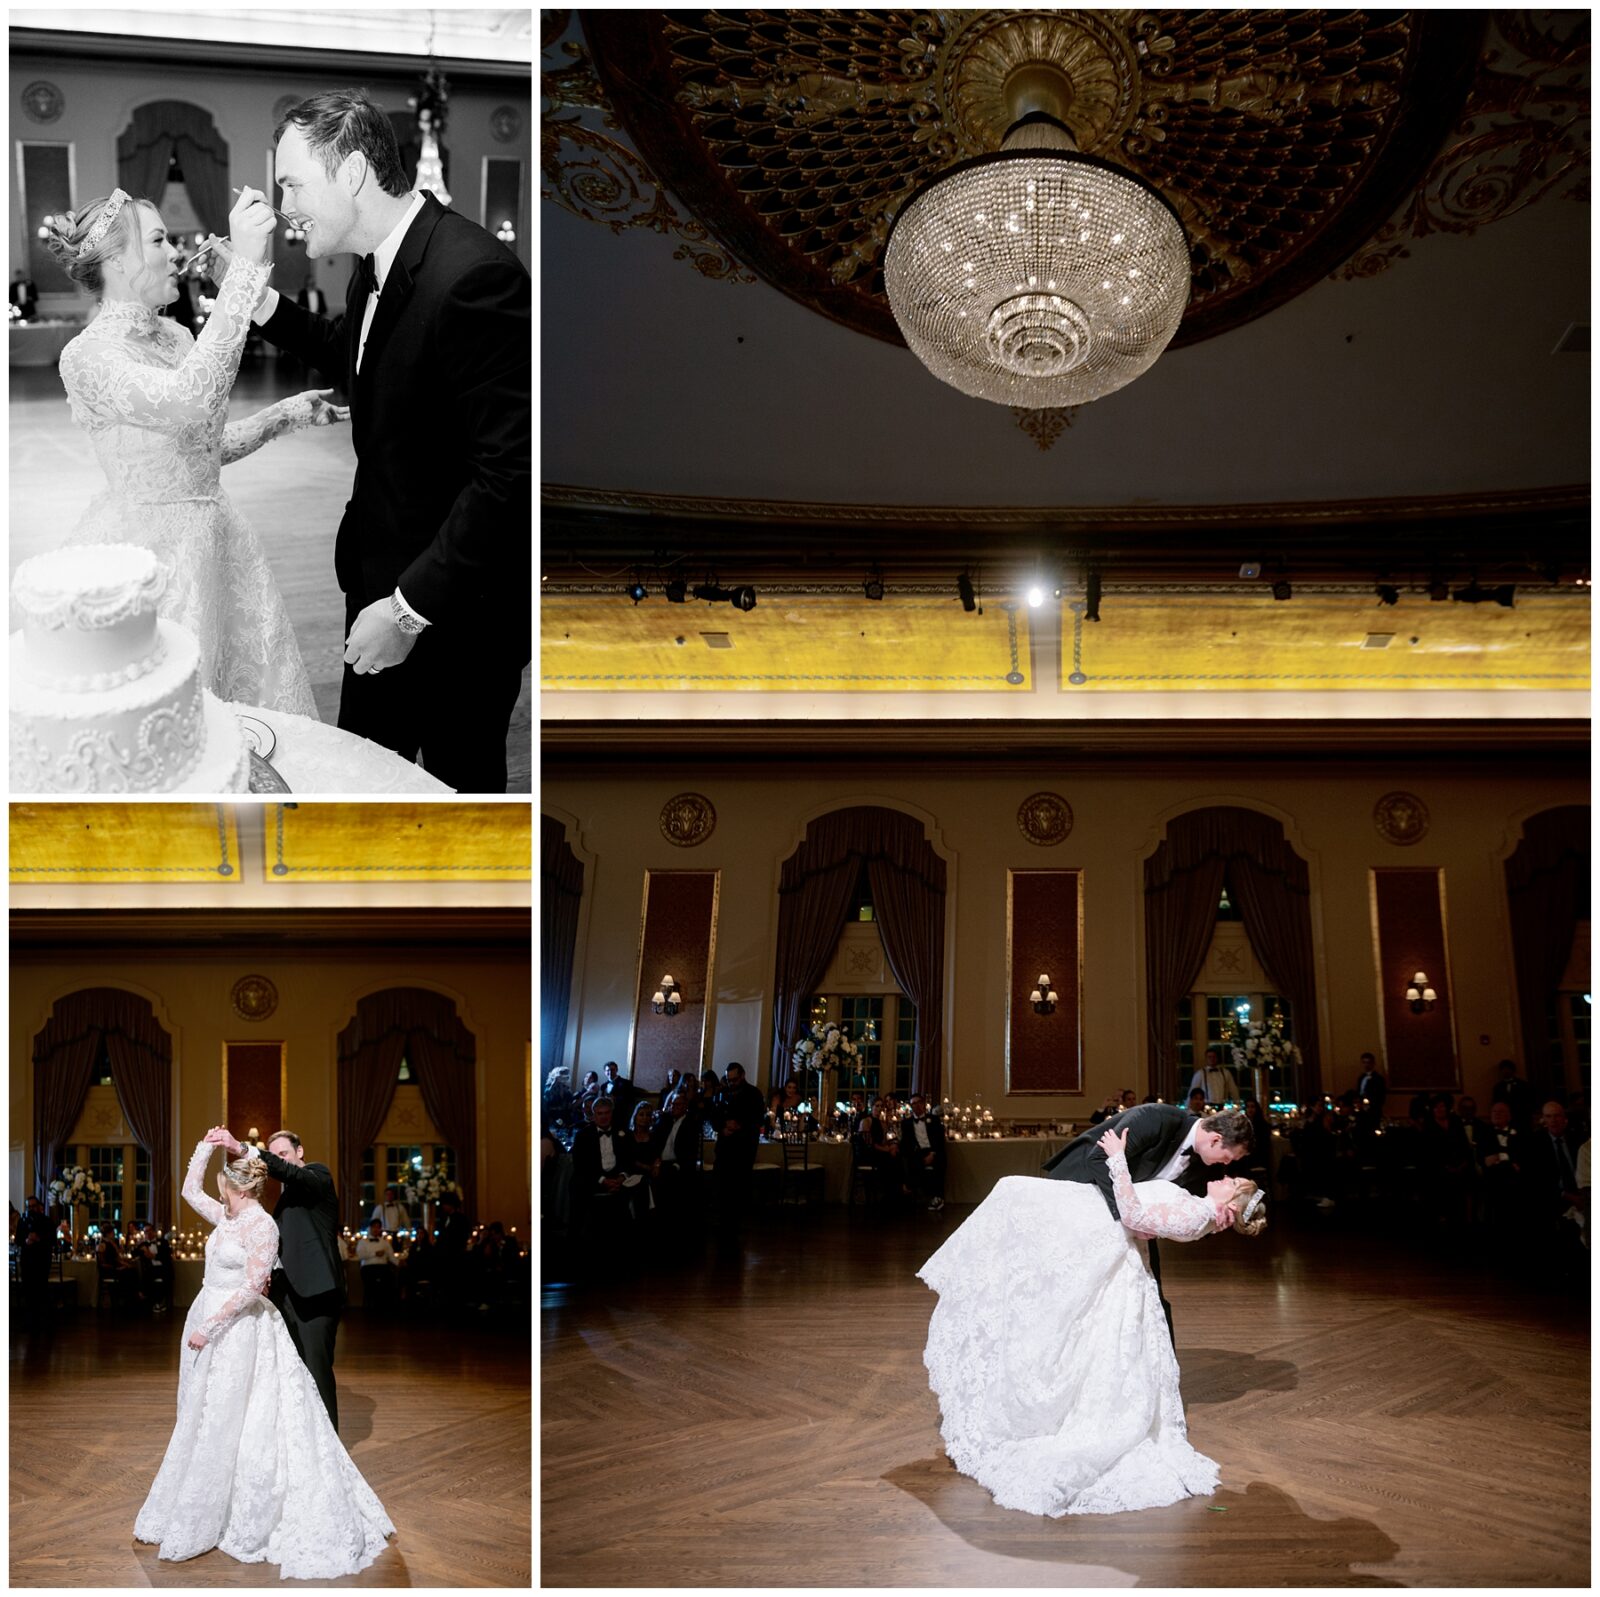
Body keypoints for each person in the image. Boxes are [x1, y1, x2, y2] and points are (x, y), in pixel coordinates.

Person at [230, 89, 531, 792]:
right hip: (373, 582)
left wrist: (407, 610)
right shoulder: (376, 261)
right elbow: (357, 352)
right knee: (361, 782)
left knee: (461, 798)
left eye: (292, 184)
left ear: (353, 173)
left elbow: (508, 475)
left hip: (455, 615)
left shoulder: (474, 277)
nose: (283, 206)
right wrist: (260, 301)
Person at [40, 189, 339, 719]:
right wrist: (243, 272)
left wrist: (282, 416)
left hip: (220, 542)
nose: (176, 252)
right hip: (151, 559)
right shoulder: (87, 357)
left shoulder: (178, 336)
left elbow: (201, 450)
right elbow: (191, 399)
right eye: (159, 240)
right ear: (116, 260)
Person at [919, 1123, 1265, 1518]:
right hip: (1100, 1230)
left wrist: (1118, 1161)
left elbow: (1134, 1217)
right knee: (1012, 1197)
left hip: (1109, 1238)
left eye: (1232, 1181)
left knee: (1013, 1195)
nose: (1225, 1175)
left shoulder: (1196, 1214)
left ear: (1231, 1202)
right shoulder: (1198, 1206)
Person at [134, 1137, 392, 1577]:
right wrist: (205, 1147)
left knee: (265, 1400)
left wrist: (241, 1148)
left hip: (240, 1322)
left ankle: (307, 1464)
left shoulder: (288, 1202)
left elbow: (254, 1284)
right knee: (204, 1409)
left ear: (238, 1187)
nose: (220, 1194)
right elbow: (190, 1192)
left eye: (225, 1187)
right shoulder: (229, 1217)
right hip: (216, 1315)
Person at [1042, 1103, 1251, 1347]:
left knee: (1150, 1294)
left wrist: (1214, 1225)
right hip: (1080, 1191)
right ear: (1215, 1140)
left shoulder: (1203, 1164)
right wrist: (1129, 1219)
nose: (1226, 1165)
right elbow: (1098, 1159)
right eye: (1228, 1157)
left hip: (1134, 1223)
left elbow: (1187, 1216)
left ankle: (1157, 1364)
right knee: (1074, 1290)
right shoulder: (1156, 1119)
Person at [208, 1125, 344, 1429]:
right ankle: (303, 1439)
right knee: (292, 1370)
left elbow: (289, 1172)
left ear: (299, 1151)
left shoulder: (317, 1176)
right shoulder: (285, 1199)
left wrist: (242, 1148)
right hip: (286, 1295)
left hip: (315, 1295)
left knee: (316, 1371)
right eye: (275, 1155)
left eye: (283, 1153)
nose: (279, 1160)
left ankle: (329, 1444)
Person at [710, 1062, 766, 1232]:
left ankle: (735, 1222)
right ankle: (722, 1219)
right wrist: (723, 1126)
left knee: (738, 1186)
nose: (731, 1083)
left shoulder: (754, 1094)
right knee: (721, 1184)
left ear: (742, 1076)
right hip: (724, 1147)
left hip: (743, 1147)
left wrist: (739, 1125)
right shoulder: (722, 1093)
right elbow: (713, 1116)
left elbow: (758, 1119)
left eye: (734, 1080)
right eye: (729, 1080)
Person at [900, 1093, 947, 1211]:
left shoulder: (934, 1119)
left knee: (939, 1162)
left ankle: (937, 1197)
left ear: (923, 1104)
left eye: (919, 1102)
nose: (917, 1106)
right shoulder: (906, 1123)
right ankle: (922, 1195)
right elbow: (906, 1144)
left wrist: (932, 1153)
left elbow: (939, 1140)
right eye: (913, 1104)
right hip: (917, 1152)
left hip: (933, 1150)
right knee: (914, 1163)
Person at [17, 1195, 54, 1326]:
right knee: (28, 1289)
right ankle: (30, 1320)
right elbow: (18, 1239)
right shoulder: (22, 1221)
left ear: (39, 1207)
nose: (31, 1209)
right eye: (29, 1207)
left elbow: (52, 1240)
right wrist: (26, 1240)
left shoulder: (47, 1221)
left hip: (42, 1260)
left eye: (34, 1206)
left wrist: (38, 1239)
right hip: (27, 1260)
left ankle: (44, 1320)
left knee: (41, 1289)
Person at [356, 1219, 396, 1312]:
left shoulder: (385, 1242)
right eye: (374, 1227)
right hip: (368, 1268)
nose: (376, 1229)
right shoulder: (363, 1242)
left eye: (378, 1227)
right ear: (370, 1228)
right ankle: (371, 1307)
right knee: (371, 1284)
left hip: (383, 1267)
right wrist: (375, 1254)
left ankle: (384, 1307)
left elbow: (391, 1256)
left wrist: (399, 1263)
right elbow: (360, 1256)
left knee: (389, 1280)